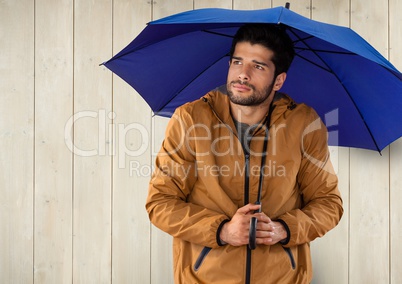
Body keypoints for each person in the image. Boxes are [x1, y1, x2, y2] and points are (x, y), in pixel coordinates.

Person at [146, 24, 343, 284]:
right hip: (204, 278)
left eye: (258, 66)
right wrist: (222, 231)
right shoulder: (191, 119)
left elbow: (328, 204)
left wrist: (284, 229)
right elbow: (160, 203)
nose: (243, 74)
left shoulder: (304, 124)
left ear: (279, 80)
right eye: (237, 62)